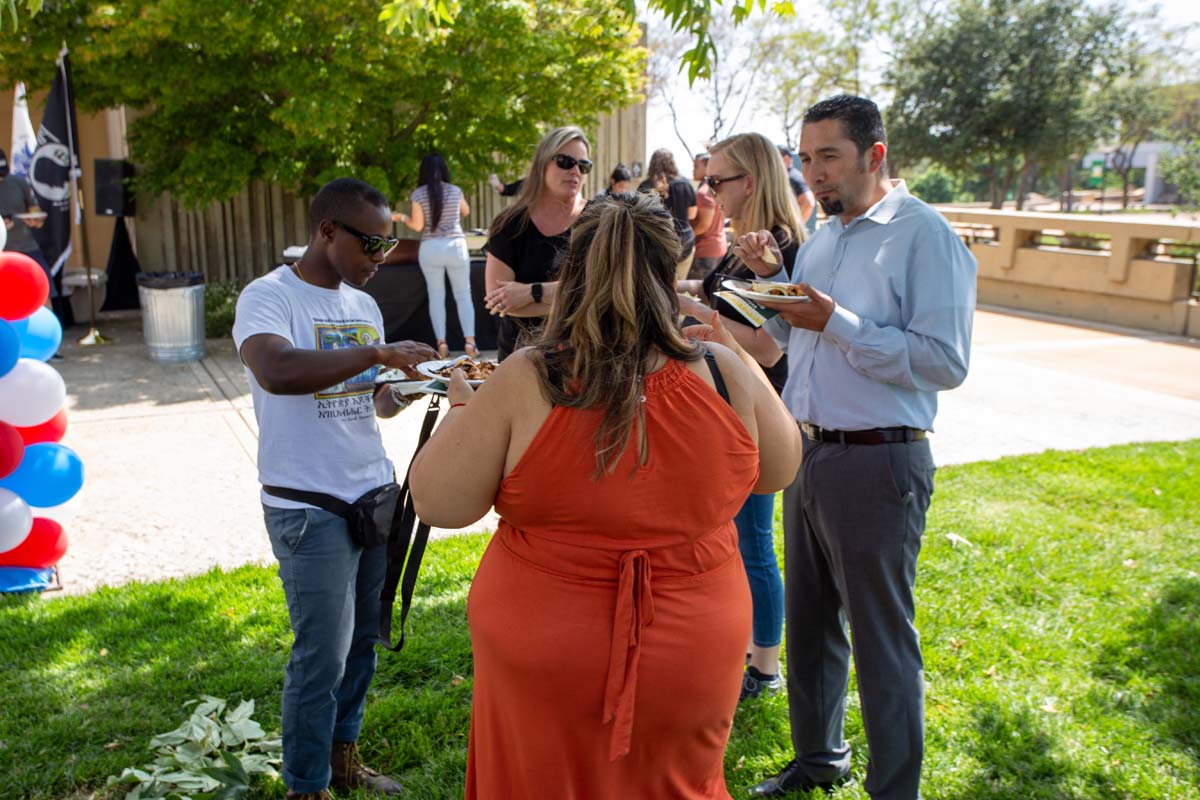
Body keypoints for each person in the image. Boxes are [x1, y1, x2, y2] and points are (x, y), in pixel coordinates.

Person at [409, 192, 802, 798]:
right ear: (671, 271)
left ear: (573, 270)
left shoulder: (528, 376)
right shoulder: (721, 368)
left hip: (543, 644)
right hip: (696, 639)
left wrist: (463, 410)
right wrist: (726, 347)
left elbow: (437, 501)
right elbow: (781, 465)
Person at [741, 96, 976, 800]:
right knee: (811, 629)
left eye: (828, 157)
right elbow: (790, 341)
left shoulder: (923, 235)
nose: (813, 173)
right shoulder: (823, 236)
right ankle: (819, 760)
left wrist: (835, 319)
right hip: (808, 455)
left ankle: (893, 790)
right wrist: (766, 286)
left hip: (879, 461)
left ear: (875, 155)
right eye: (806, 158)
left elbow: (946, 361)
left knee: (880, 642)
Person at [232, 178, 438, 800]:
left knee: (362, 647)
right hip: (307, 506)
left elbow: (371, 402)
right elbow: (278, 370)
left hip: (370, 494)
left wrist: (414, 385)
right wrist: (377, 352)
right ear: (326, 231)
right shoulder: (268, 297)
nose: (381, 257)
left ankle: (343, 763)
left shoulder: (364, 305)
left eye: (389, 243)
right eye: (371, 243)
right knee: (319, 658)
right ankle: (306, 785)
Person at [676, 132, 806, 701]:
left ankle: (765, 668)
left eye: (717, 180)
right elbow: (709, 290)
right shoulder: (741, 247)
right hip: (727, 405)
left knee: (752, 539)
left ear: (749, 183)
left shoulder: (778, 249)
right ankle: (749, 653)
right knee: (734, 535)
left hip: (755, 411)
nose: (709, 192)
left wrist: (690, 311)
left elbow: (767, 347)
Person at [482, 126, 590, 360]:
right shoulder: (510, 223)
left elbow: (605, 290)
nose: (575, 171)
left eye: (583, 166)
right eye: (565, 161)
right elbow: (499, 300)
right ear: (542, 163)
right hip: (520, 360)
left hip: (583, 360)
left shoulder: (598, 221)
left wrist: (533, 292)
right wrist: (575, 298)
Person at [396, 153, 478, 359]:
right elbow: (465, 211)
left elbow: (417, 225)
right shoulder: (455, 190)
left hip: (431, 247)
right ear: (444, 170)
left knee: (436, 296)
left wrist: (402, 217)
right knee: (463, 295)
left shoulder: (419, 194)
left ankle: (441, 343)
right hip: (455, 246)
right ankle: (470, 343)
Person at [638, 148, 698, 280]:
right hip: (685, 243)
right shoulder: (686, 185)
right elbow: (692, 215)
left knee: (658, 286)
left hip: (656, 246)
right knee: (679, 286)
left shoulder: (645, 186)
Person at [689, 152, 728, 279]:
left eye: (696, 166)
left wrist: (686, 238)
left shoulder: (704, 192)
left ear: (707, 168)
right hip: (718, 246)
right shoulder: (716, 188)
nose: (693, 170)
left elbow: (704, 225)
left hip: (705, 250)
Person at [778, 144, 817, 234]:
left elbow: (808, 202)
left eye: (776, 158)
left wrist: (795, 227)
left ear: (786, 159)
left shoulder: (792, 177)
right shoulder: (790, 176)